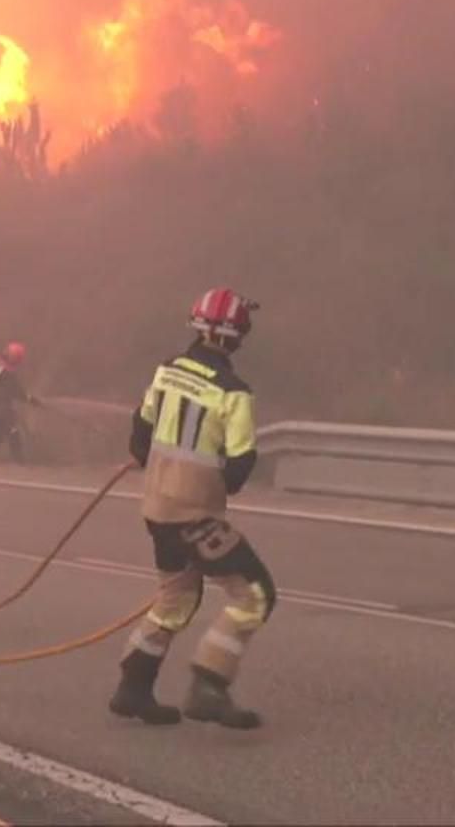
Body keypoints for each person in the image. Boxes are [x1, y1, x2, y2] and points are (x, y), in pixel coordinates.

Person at [108, 287, 273, 729]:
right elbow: (240, 463)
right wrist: (218, 483)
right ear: (234, 336)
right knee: (254, 594)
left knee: (176, 598)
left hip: (157, 511)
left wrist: (146, 457)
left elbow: (141, 427)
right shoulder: (234, 392)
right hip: (195, 515)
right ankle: (209, 686)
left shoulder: (167, 371)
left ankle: (133, 688)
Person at [0, 341, 38, 463]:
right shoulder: (6, 372)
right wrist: (32, 400)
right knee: (12, 429)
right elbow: (18, 392)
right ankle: (20, 462)